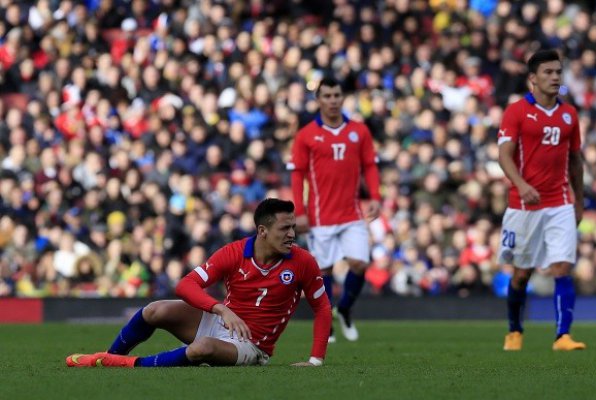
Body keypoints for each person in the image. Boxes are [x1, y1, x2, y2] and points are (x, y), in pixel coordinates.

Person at [66, 198, 332, 367]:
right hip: (220, 321)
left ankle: (129, 364)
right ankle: (108, 357)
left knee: (201, 348)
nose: (292, 234)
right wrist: (220, 309)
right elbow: (185, 285)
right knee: (154, 310)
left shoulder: (303, 261)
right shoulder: (235, 252)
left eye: (293, 227)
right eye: (284, 229)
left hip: (252, 344)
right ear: (262, 231)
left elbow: (322, 307)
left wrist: (315, 360)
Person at [497, 50, 586, 351]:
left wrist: (579, 200)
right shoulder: (516, 112)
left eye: (558, 72)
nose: (555, 77)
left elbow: (575, 160)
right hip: (523, 205)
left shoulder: (569, 114)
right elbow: (504, 155)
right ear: (533, 78)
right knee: (522, 274)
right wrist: (520, 185)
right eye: (548, 72)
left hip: (559, 201)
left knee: (562, 266)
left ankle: (563, 336)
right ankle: (514, 331)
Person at [287, 77, 381, 342]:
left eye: (336, 95)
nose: (332, 100)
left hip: (352, 214)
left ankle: (345, 309)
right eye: (326, 96)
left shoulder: (359, 131)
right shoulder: (306, 135)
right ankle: (326, 322)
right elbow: (297, 175)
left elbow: (370, 166)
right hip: (320, 217)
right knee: (324, 271)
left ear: (343, 97)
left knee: (360, 264)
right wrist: (300, 212)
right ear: (318, 100)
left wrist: (374, 195)